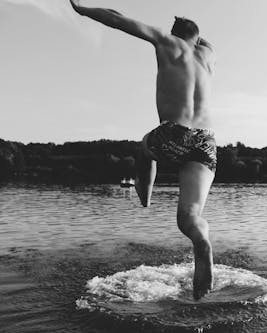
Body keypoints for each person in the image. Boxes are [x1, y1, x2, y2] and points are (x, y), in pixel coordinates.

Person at [70, 0, 217, 300]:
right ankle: (202, 241)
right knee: (189, 217)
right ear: (198, 38)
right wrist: (197, 35)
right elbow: (203, 40)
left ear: (175, 33)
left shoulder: (167, 41)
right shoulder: (208, 56)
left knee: (144, 148)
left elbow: (118, 19)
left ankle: (145, 196)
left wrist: (82, 9)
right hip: (206, 142)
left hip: (174, 131)